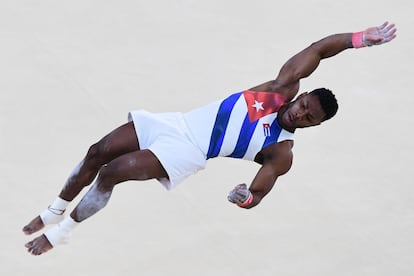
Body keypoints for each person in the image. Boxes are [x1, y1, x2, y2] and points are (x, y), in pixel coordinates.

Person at [23, 22, 397, 255]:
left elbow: (260, 193)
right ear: (300, 96)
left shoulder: (280, 150)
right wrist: (361, 38)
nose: (299, 113)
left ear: (313, 126)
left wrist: (245, 197)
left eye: (308, 117)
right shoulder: (279, 89)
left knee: (111, 172)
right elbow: (318, 50)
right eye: (303, 105)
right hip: (175, 122)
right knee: (97, 151)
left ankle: (63, 232)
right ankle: (55, 208)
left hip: (189, 150)